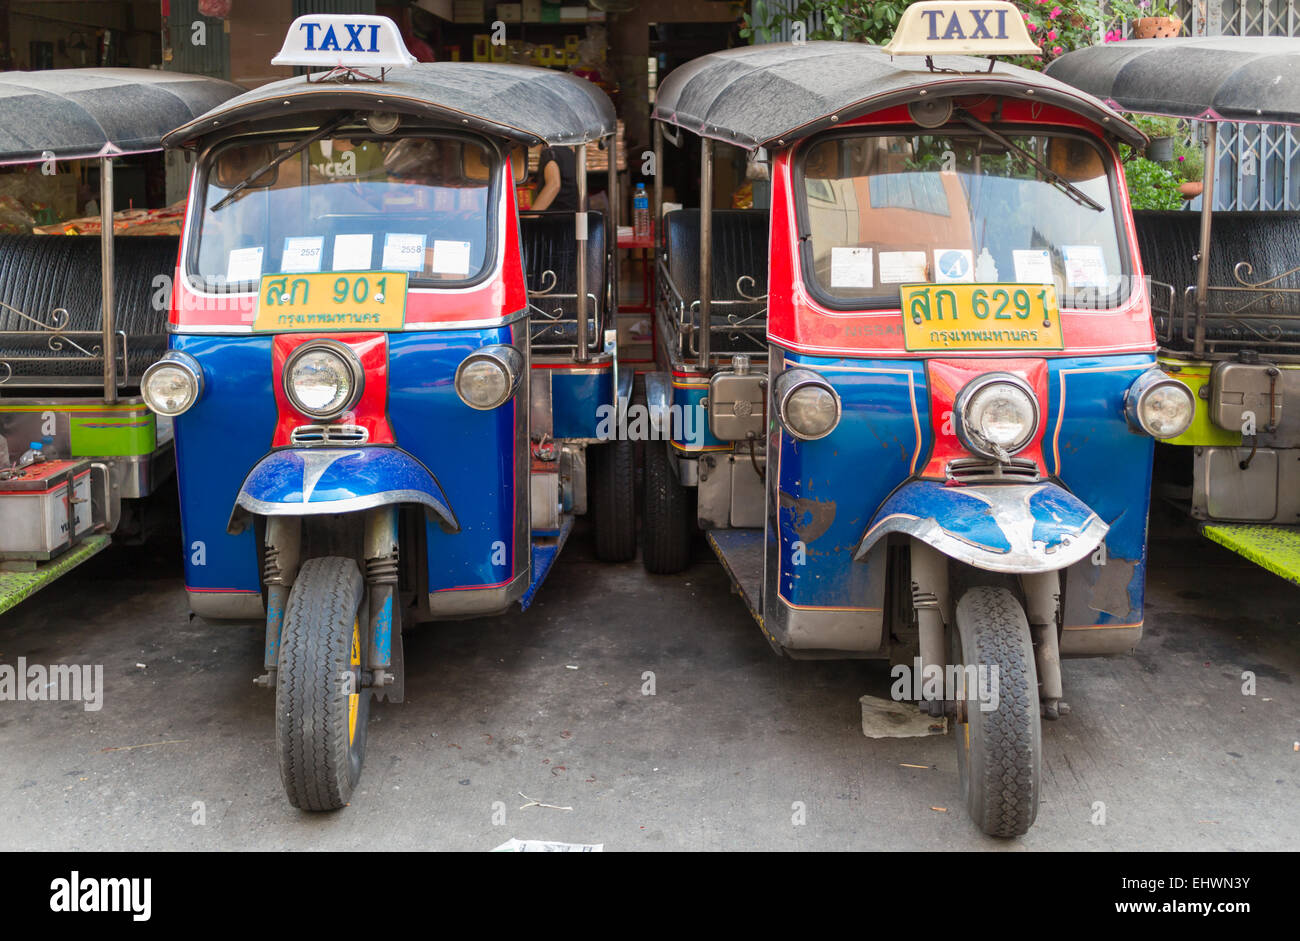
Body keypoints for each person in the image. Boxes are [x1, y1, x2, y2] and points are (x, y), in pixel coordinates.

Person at [531, 144, 578, 211]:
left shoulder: (549, 152)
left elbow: (554, 185)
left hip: (561, 215)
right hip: (573, 213)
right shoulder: (566, 150)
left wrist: (531, 216)